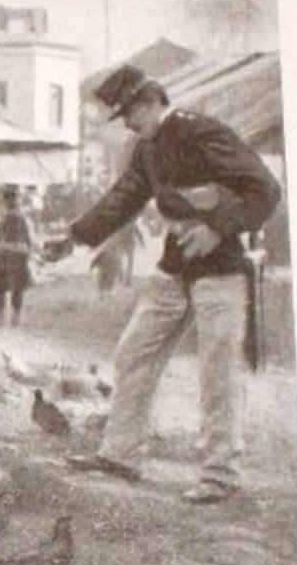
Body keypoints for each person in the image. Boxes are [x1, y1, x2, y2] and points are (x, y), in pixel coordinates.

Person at [58, 64, 281, 504]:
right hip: (176, 264)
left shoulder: (202, 132)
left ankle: (219, 475)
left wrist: (217, 228)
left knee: (218, 370)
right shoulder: (148, 149)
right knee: (133, 353)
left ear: (151, 101)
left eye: (129, 113)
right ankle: (120, 454)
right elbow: (123, 198)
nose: (127, 124)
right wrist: (74, 236)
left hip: (221, 265)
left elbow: (264, 189)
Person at [0, 185, 34, 327]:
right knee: (1, 288)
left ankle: (15, 316)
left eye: (13, 198)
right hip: (5, 256)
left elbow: (31, 240)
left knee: (16, 288)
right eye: (8, 198)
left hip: (16, 256)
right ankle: (2, 316)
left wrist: (26, 250)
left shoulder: (24, 220)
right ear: (5, 201)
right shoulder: (0, 219)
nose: (11, 201)